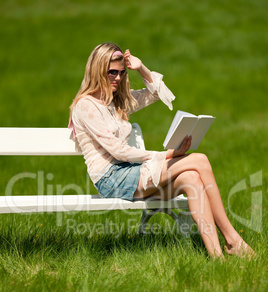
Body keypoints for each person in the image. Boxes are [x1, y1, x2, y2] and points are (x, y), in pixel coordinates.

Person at [69, 42, 255, 259]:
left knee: (192, 178)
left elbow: (158, 94)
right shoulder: (86, 106)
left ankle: (217, 256)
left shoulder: (116, 101)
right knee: (200, 160)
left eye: (121, 73)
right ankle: (233, 240)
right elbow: (118, 151)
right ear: (98, 71)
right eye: (112, 73)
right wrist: (167, 155)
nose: (118, 78)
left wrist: (140, 68)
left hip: (132, 172)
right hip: (112, 179)